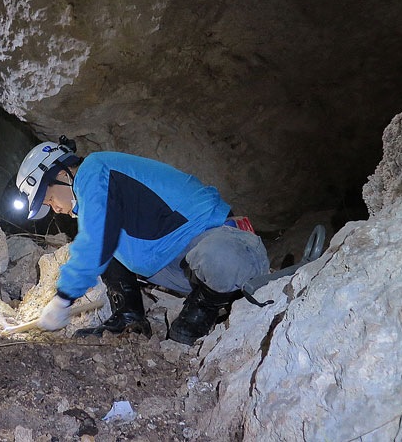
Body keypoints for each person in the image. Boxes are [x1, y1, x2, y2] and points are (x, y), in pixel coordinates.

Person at [14, 137, 269, 345]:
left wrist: (63, 298)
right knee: (106, 245)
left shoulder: (94, 170)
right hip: (178, 268)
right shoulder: (101, 199)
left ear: (60, 174)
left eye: (49, 200)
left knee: (222, 257)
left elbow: (96, 241)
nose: (55, 209)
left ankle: (203, 309)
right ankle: (128, 316)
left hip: (212, 240)